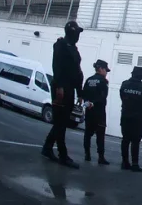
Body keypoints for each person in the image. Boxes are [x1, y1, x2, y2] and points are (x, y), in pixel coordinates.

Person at [42, 21, 84, 169]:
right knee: (60, 121)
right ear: (71, 32)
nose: (78, 35)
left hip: (70, 88)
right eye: (77, 32)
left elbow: (78, 71)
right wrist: (59, 86)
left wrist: (79, 92)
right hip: (61, 87)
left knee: (62, 121)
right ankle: (63, 155)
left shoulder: (73, 48)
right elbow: (57, 66)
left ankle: (47, 148)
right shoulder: (61, 45)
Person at [119, 66, 142, 172]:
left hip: (125, 115)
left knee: (125, 139)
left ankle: (125, 162)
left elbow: (122, 96)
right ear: (141, 75)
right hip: (138, 118)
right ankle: (135, 164)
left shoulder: (124, 84)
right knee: (135, 141)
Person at [82, 59, 110, 165]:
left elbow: (84, 93)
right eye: (105, 70)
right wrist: (94, 103)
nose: (106, 73)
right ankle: (101, 157)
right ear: (101, 69)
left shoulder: (89, 80)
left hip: (89, 111)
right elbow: (103, 96)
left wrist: (87, 103)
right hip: (99, 112)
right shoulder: (103, 81)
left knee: (87, 133)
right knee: (100, 135)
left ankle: (87, 155)